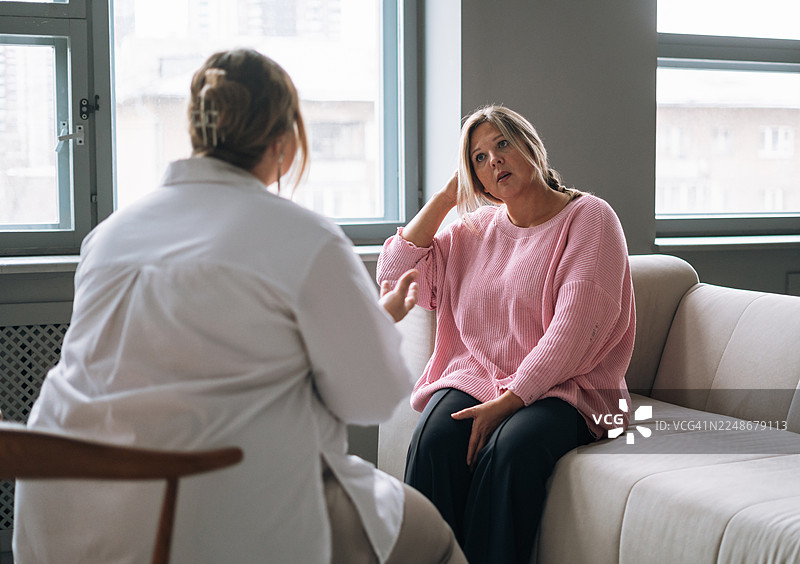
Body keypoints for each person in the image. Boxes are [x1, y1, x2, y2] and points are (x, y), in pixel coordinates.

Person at [13, 49, 466, 564]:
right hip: (210, 513)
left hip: (65, 514)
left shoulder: (109, 236)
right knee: (434, 540)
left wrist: (369, 320)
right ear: (283, 141)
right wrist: (367, 331)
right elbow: (371, 399)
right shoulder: (304, 236)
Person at [376, 105, 636, 564]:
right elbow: (395, 273)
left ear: (530, 145)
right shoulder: (474, 229)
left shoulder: (590, 218)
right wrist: (444, 199)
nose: (493, 161)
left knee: (511, 448)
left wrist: (511, 399)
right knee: (436, 440)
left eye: (502, 144)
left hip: (572, 388)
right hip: (479, 375)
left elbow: (573, 332)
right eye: (478, 158)